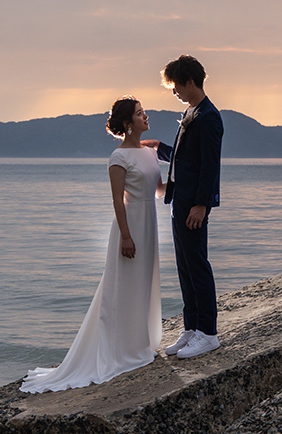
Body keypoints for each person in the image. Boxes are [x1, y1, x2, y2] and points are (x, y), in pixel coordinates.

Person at [20, 97, 163, 393]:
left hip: (149, 223)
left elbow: (159, 190)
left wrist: (183, 173)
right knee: (121, 288)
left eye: (143, 112)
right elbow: (116, 200)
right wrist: (125, 235)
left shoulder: (150, 152)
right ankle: (118, 351)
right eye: (139, 114)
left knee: (143, 285)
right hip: (130, 226)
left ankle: (139, 344)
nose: (145, 116)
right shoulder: (117, 157)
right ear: (127, 123)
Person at [152, 55, 224, 359]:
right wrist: (158, 148)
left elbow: (209, 166)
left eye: (176, 86)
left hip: (193, 206)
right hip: (178, 202)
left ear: (190, 81)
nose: (174, 92)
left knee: (197, 266)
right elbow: (184, 158)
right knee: (184, 268)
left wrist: (201, 205)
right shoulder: (191, 112)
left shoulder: (209, 117)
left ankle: (208, 333)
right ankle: (191, 327)